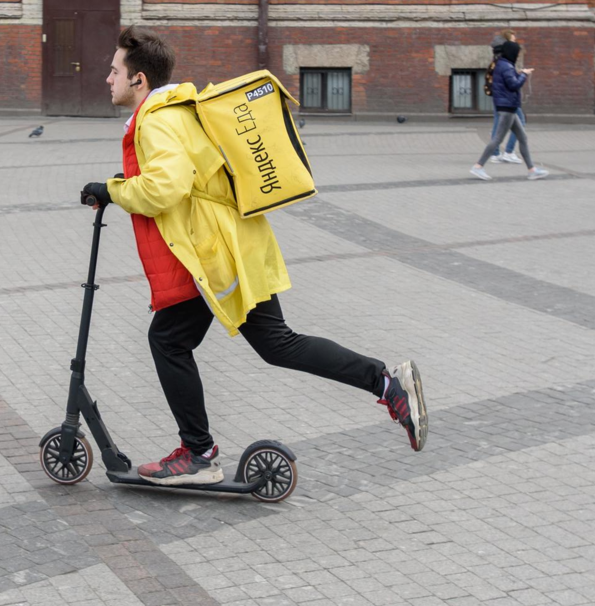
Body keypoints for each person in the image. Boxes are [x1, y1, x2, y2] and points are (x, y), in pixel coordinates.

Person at [82, 27, 428, 486]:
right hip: (229, 246)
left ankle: (198, 455)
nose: (108, 79)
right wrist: (121, 187)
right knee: (275, 343)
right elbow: (186, 174)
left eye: (114, 71)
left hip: (210, 255)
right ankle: (386, 382)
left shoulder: (156, 119)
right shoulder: (175, 109)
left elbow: (167, 186)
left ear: (139, 79)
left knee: (169, 341)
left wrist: (112, 189)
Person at [471, 40, 549, 181]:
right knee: (497, 140)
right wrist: (524, 75)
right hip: (507, 109)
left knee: (523, 138)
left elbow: (508, 81)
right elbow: (513, 85)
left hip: (509, 107)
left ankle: (532, 170)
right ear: (512, 53)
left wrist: (518, 73)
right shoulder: (506, 66)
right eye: (517, 53)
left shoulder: (503, 64)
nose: (518, 56)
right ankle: (478, 167)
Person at [488, 30, 525, 164]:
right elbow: (512, 83)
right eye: (513, 40)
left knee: (498, 124)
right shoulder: (505, 62)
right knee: (520, 122)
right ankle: (508, 152)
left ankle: (495, 153)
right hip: (507, 99)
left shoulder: (498, 60)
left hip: (499, 97)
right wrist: (522, 75)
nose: (515, 43)